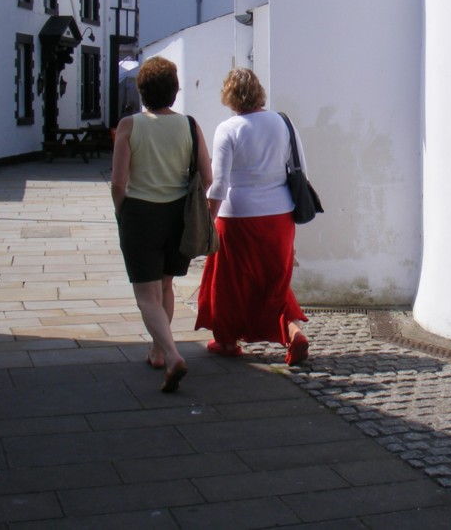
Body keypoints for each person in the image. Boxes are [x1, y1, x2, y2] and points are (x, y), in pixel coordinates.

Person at [111, 56, 212, 393]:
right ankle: (157, 350)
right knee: (165, 286)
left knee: (146, 295)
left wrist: (121, 211)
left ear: (142, 92)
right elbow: (207, 177)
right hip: (176, 217)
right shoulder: (190, 125)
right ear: (174, 90)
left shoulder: (129, 126)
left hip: (140, 213)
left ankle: (170, 354)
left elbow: (118, 183)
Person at [195, 68, 310, 365]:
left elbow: (219, 183)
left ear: (229, 96)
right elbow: (301, 170)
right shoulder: (284, 122)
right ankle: (292, 330)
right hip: (279, 215)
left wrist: (209, 220)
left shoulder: (228, 129)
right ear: (258, 91)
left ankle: (227, 341)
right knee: (274, 279)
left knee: (231, 281)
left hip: (237, 216)